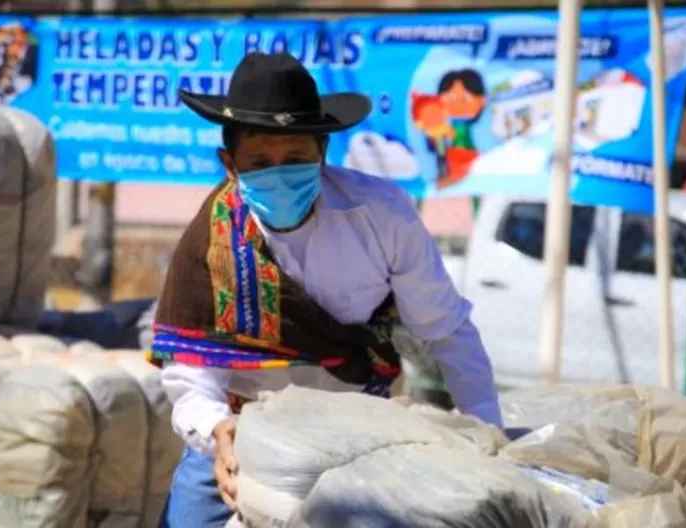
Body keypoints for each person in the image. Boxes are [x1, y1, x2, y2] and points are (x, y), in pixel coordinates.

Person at [149, 52, 503, 528]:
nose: (279, 173)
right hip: (243, 434)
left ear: (322, 153)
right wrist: (218, 432)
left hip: (357, 437)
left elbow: (446, 331)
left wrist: (491, 435)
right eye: (260, 162)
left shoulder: (382, 217)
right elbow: (191, 375)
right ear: (230, 165)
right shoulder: (209, 244)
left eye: (295, 159)